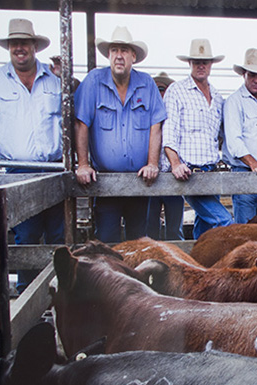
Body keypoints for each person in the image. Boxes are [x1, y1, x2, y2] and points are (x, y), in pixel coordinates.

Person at [0, 18, 64, 293]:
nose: (19, 48)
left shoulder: (54, 78)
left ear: (34, 46)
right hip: (17, 171)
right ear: (9, 47)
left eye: (24, 43)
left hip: (54, 168)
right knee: (26, 235)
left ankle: (58, 295)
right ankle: (27, 294)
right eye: (14, 43)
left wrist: (67, 76)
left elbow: (72, 112)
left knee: (59, 235)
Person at [74, 26, 166, 243]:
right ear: (108, 55)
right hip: (105, 181)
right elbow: (81, 123)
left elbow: (156, 125)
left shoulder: (147, 84)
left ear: (133, 56)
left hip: (140, 181)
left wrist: (152, 163)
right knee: (106, 240)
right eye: (114, 50)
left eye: (124, 50)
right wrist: (83, 164)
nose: (119, 56)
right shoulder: (93, 81)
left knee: (139, 242)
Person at [162, 38, 232, 239]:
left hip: (211, 171)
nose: (201, 66)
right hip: (189, 172)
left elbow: (220, 135)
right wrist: (175, 164)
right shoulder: (177, 91)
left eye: (205, 62)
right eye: (196, 61)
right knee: (223, 221)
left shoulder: (217, 97)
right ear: (189, 63)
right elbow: (170, 130)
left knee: (206, 228)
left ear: (211, 65)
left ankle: (197, 265)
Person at [223, 48, 257, 223]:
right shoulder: (234, 101)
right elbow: (234, 141)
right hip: (245, 173)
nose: (256, 80)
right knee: (246, 232)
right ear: (244, 74)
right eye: (252, 75)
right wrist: (254, 164)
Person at [146, 71, 184, 240]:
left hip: (172, 176)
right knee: (149, 226)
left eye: (164, 89)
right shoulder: (146, 114)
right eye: (158, 89)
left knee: (175, 228)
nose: (162, 94)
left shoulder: (178, 114)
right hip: (151, 179)